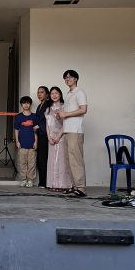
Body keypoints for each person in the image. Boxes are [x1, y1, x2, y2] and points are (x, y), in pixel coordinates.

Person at [57, 70, 88, 198]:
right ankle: (75, 186)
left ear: (76, 79)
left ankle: (81, 188)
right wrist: (61, 115)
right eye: (65, 77)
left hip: (75, 131)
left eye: (70, 77)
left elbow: (84, 109)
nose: (67, 79)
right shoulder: (68, 94)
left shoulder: (79, 92)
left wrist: (66, 114)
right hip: (67, 130)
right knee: (69, 160)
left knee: (76, 160)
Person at [45, 86, 72, 192]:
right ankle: (53, 184)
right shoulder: (48, 109)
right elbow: (47, 125)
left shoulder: (64, 107)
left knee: (62, 161)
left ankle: (63, 184)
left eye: (56, 93)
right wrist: (49, 137)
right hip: (51, 137)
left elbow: (66, 124)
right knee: (52, 161)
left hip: (61, 137)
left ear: (60, 94)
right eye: (52, 94)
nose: (54, 95)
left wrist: (58, 136)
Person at [14, 96, 38, 188]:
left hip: (32, 143)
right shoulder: (18, 117)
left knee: (32, 163)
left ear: (30, 104)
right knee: (22, 163)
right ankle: (23, 179)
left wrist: (36, 142)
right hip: (22, 143)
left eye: (28, 103)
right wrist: (17, 141)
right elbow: (16, 129)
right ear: (21, 104)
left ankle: (30, 180)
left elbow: (36, 131)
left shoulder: (34, 116)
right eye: (24, 103)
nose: (26, 105)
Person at [34, 86, 50, 188]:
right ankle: (42, 181)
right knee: (40, 158)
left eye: (42, 92)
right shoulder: (39, 106)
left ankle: (44, 182)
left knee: (43, 158)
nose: (39, 94)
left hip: (45, 134)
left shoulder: (49, 104)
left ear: (47, 94)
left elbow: (50, 119)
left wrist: (39, 126)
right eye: (38, 92)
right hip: (39, 134)